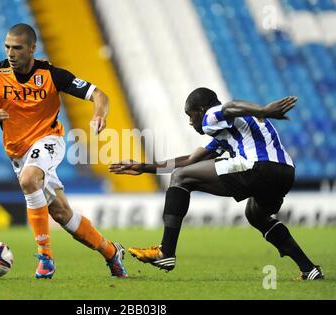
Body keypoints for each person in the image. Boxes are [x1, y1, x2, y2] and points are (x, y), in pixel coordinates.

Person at [0, 23, 128, 279]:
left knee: (29, 179)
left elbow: (99, 94)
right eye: (7, 47)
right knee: (62, 214)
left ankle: (45, 257)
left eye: (17, 48)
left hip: (49, 140)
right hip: (18, 152)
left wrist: (99, 115)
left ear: (32, 49)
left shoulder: (52, 75)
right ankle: (111, 252)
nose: (11, 53)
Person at [110, 87, 324, 280]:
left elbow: (229, 106)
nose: (191, 122)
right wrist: (144, 167)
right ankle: (308, 269)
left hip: (257, 166)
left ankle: (166, 252)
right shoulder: (228, 132)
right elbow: (190, 160)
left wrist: (263, 110)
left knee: (180, 178)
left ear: (201, 110)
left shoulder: (211, 115)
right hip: (285, 173)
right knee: (256, 215)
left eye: (190, 115)